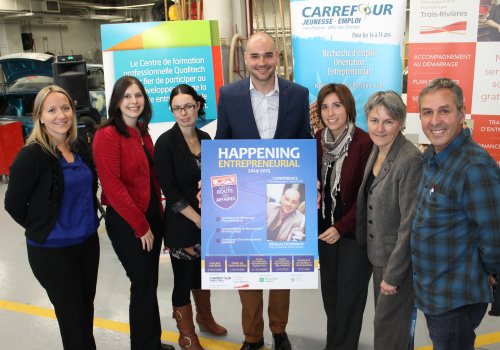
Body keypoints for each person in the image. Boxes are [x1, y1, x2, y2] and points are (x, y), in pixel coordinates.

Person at [215, 31, 311, 350]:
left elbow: (304, 142)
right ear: (246, 59)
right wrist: (213, 184)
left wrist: (312, 183)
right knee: (247, 269)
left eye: (268, 55)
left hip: (286, 194)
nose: (262, 63)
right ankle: (253, 336)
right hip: (245, 199)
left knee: (281, 271)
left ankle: (279, 330)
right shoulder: (229, 95)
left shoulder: (297, 94)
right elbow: (222, 145)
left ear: (277, 57)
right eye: (255, 56)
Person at [5, 85, 100, 349]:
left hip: (87, 244)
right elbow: (13, 204)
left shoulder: (79, 146)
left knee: (85, 311)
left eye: (66, 108)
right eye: (52, 110)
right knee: (73, 319)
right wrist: (44, 227)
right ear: (40, 117)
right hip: (52, 251)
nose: (61, 115)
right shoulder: (32, 155)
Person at [412, 77, 500, 350]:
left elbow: (493, 233)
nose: (435, 120)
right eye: (428, 112)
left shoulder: (474, 166)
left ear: (462, 113)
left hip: (455, 297)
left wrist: (494, 274)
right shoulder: (432, 159)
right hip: (434, 292)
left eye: (444, 110)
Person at [92, 76, 174, 350]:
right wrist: (141, 225)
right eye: (127, 96)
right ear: (116, 101)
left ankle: (150, 341)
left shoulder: (141, 130)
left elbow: (151, 176)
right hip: (128, 222)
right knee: (141, 283)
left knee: (148, 283)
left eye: (138, 95)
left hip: (152, 217)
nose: (133, 101)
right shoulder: (107, 135)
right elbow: (113, 188)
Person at [155, 84, 227, 350]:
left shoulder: (206, 139)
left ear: (198, 106)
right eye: (177, 108)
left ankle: (205, 318)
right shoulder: (165, 143)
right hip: (182, 225)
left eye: (188, 106)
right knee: (183, 280)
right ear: (172, 110)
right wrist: (197, 219)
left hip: (206, 224)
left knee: (202, 275)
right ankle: (186, 335)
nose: (183, 112)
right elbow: (169, 191)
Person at [356, 91, 421, 349]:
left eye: (388, 121)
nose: (379, 128)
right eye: (374, 120)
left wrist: (393, 276)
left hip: (398, 264)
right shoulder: (378, 149)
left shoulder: (409, 159)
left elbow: (410, 225)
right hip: (379, 257)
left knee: (389, 330)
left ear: (401, 122)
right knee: (389, 326)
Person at [315, 83, 373, 350]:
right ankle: (333, 345)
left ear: (348, 108)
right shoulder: (317, 140)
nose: (330, 112)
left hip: (352, 234)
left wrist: (342, 226)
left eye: (336, 105)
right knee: (331, 297)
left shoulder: (364, 142)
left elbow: (366, 196)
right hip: (325, 233)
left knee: (349, 300)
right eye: (325, 106)